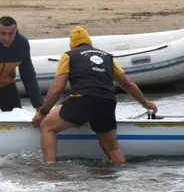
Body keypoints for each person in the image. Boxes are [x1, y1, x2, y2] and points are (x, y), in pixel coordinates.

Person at [32, 26, 158, 164]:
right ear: (89, 42)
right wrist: (145, 103)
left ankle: (50, 170)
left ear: (72, 44)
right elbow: (128, 83)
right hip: (107, 101)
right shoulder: (107, 57)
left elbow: (57, 89)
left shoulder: (69, 55)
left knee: (47, 127)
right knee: (112, 149)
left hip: (84, 99)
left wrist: (43, 112)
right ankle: (120, 180)